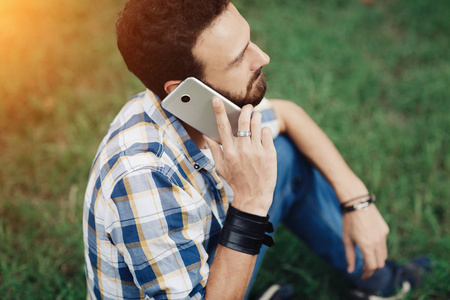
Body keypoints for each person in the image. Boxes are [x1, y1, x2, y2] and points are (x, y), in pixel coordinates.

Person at [83, 0, 429, 299]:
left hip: (208, 257)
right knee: (270, 164)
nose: (263, 57)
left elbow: (289, 115)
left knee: (285, 153)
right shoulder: (142, 177)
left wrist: (358, 201)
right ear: (185, 91)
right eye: (238, 60)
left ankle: (381, 283)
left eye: (249, 41)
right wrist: (251, 202)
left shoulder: (201, 111)